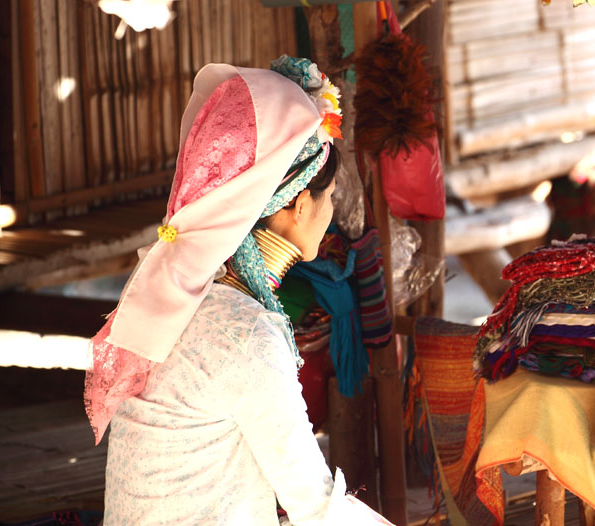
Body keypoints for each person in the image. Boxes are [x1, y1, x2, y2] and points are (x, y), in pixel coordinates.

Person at [83, 57, 392, 526]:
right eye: (328, 197)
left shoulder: (173, 291)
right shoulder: (245, 335)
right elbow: (314, 505)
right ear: (298, 206)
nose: (331, 210)